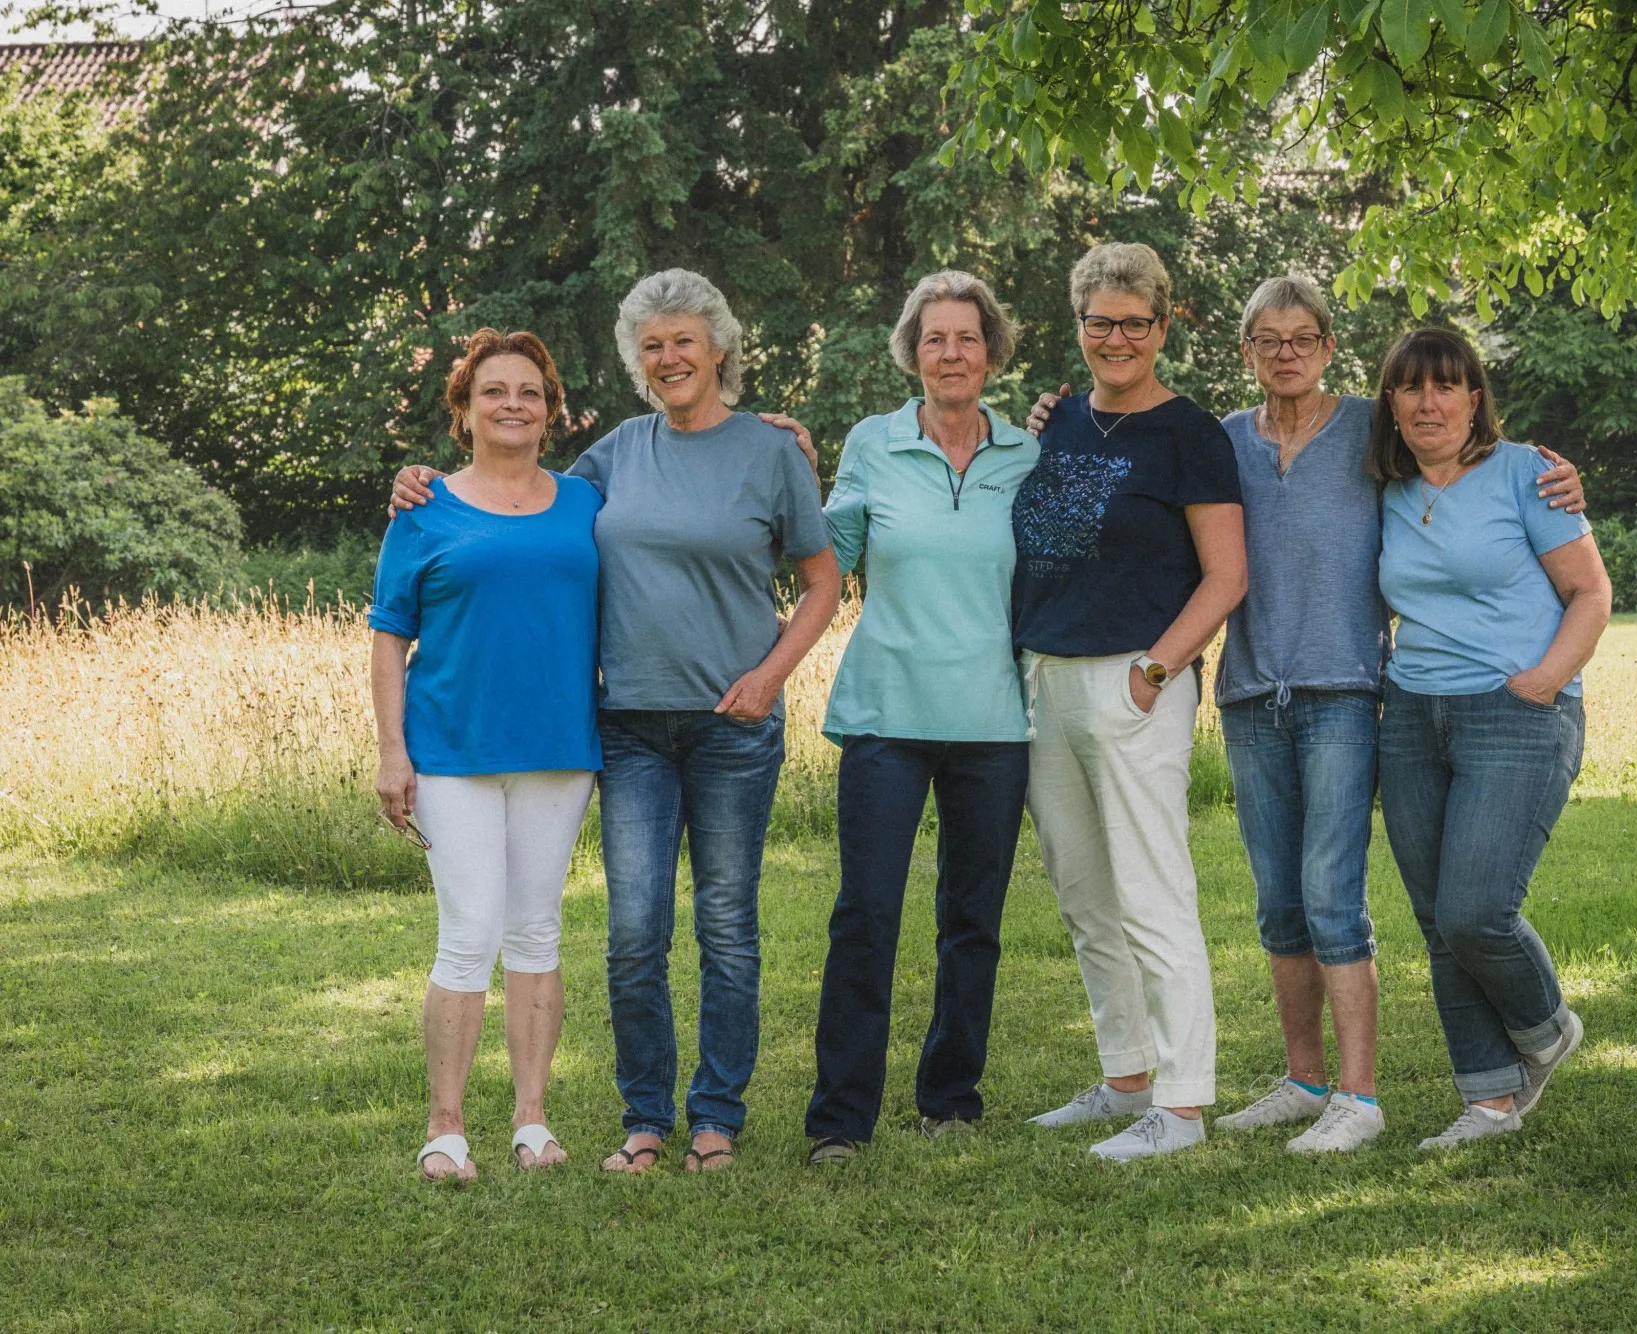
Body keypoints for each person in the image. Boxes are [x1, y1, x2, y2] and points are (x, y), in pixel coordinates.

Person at [1027, 278, 1587, 1156]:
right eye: (1267, 339)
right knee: (1278, 905)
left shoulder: (1371, 432)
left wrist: (1551, 475)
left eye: (1303, 337)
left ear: (1330, 347)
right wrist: (1050, 417)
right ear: (1246, 350)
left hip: (1345, 695)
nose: (1286, 353)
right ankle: (1302, 1080)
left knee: (1333, 901)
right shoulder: (1223, 442)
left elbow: (1460, 461)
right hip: (1251, 694)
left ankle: (1359, 1097)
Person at [389, 270, 839, 1174]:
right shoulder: (613, 459)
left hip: (732, 725)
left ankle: (715, 1117)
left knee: (727, 926)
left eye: (684, 340)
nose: (669, 357)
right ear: (640, 362)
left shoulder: (771, 451)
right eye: (652, 345)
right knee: (635, 931)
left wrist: (769, 677)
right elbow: (518, 494)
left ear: (719, 348)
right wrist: (420, 478)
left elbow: (823, 580)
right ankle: (644, 1121)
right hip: (627, 726)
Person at [1012, 242, 1248, 1162]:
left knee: (1152, 891)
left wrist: (1156, 671)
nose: (1117, 338)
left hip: (1135, 680)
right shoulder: (1057, 421)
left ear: (1163, 325)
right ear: (1079, 326)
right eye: (1100, 321)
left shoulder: (1191, 435)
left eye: (1134, 322)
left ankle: (1183, 1108)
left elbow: (1227, 575)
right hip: (1043, 678)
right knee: (1083, 893)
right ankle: (1125, 1079)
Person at [800, 272, 1039, 1166]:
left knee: (971, 919)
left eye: (967, 338)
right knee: (866, 914)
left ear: (991, 351)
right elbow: (834, 553)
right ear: (912, 351)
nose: (951, 353)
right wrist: (792, 479)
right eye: (934, 338)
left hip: (993, 720)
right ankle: (839, 1120)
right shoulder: (872, 441)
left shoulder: (1027, 451)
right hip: (886, 713)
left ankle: (951, 1097)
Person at [1369, 326, 1611, 1149]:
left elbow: (1590, 593)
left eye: (1447, 386)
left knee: (1477, 910)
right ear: (1392, 404)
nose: (1429, 402)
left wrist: (1543, 682)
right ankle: (1489, 1100)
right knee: (1438, 918)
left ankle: (1544, 1029)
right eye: (1411, 388)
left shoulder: (1529, 476)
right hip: (1410, 717)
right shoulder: (1385, 488)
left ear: (1475, 399)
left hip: (1515, 716)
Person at [369, 329, 603, 1181]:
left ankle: (533, 1123)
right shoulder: (422, 508)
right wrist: (392, 753)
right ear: (463, 411)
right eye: (494, 391)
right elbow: (391, 637)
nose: (513, 404)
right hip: (450, 751)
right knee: (468, 931)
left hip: (559, 748)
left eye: (530, 392)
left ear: (551, 410)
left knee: (537, 928)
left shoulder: (585, 502)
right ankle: (446, 1130)